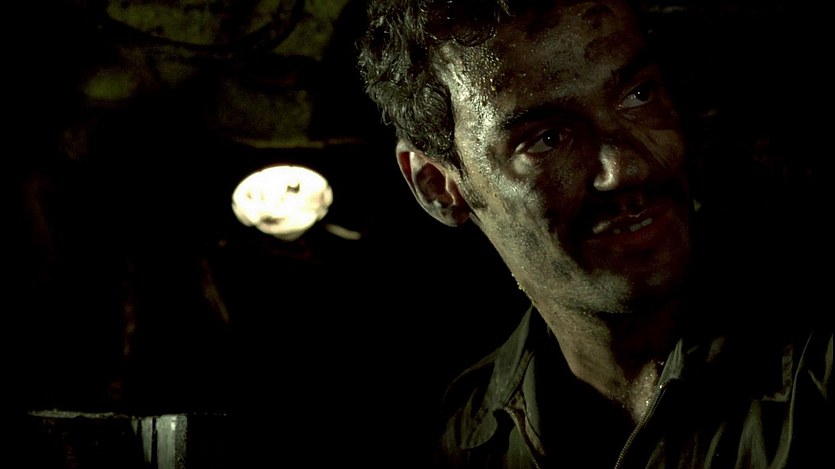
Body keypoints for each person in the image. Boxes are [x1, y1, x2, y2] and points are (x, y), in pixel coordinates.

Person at [356, 0, 831, 467]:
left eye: (638, 95)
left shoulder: (817, 362)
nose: (625, 168)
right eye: (546, 139)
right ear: (437, 186)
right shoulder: (466, 443)